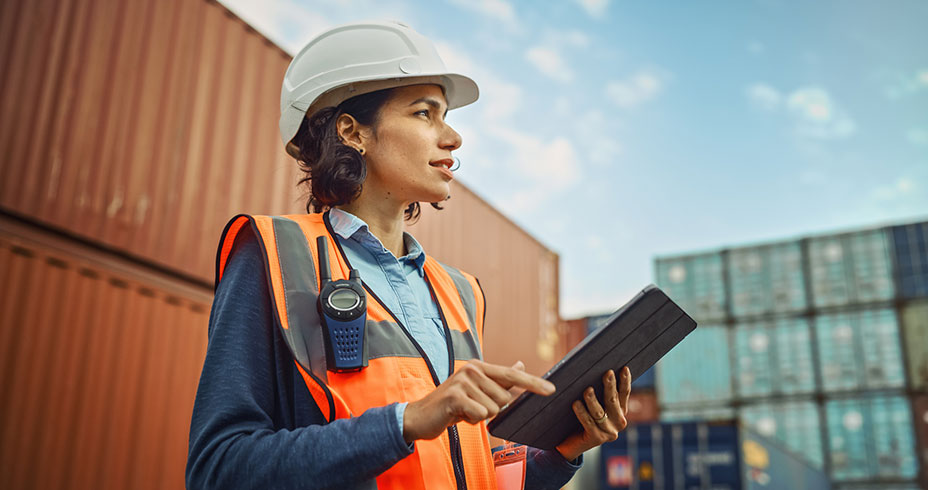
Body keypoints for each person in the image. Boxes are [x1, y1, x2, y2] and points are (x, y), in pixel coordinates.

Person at [185, 21, 632, 490]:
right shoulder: (274, 255)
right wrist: (403, 421)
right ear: (352, 132)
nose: (453, 137)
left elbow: (465, 472)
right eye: (425, 113)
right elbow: (218, 469)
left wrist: (562, 451)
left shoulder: (460, 293)